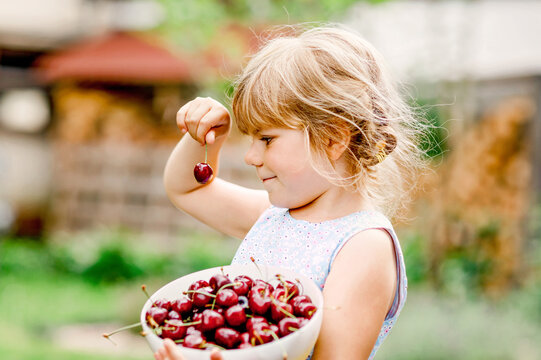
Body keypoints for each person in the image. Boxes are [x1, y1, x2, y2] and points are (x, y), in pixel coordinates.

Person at [155, 23, 425, 360]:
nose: (251, 157)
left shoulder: (362, 246)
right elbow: (187, 190)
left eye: (266, 139)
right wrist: (206, 139)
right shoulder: (272, 218)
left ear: (333, 138)